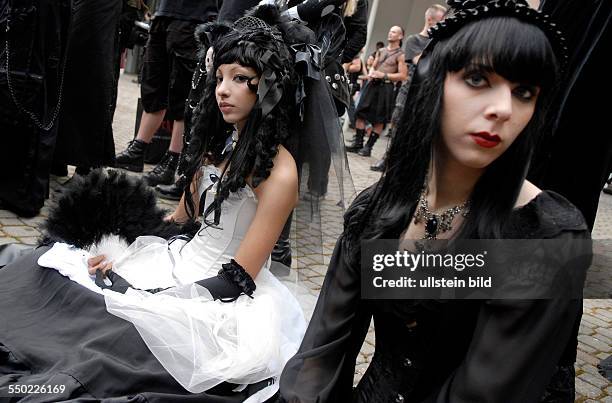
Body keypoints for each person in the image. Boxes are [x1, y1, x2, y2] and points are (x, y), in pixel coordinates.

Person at [279, 1, 592, 402]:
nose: (503, 109)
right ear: (432, 83)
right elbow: (323, 349)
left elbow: (486, 392)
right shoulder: (377, 210)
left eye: (524, 92)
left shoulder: (545, 239)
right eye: (478, 79)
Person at [0, 6, 310, 401]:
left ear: (268, 86)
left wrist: (149, 294)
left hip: (221, 296)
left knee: (112, 337)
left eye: (240, 79)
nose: (223, 90)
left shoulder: (280, 174)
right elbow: (180, 221)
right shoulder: (221, 143)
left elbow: (238, 279)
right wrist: (122, 253)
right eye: (219, 78)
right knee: (58, 275)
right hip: (178, 262)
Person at [114, 0, 218, 187]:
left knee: (183, 93)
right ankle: (138, 148)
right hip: (164, 14)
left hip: (194, 17)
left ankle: (173, 159)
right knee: (152, 85)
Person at [370, 3, 446, 172]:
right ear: (431, 19)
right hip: (408, 92)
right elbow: (420, 63)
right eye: (443, 19)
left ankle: (406, 165)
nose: (445, 22)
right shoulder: (414, 40)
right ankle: (388, 160)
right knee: (397, 129)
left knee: (418, 131)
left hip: (429, 94)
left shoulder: (442, 42)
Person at [347, 25, 408, 157]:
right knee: (360, 112)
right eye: (390, 31)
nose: (390, 33)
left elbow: (403, 76)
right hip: (372, 84)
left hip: (386, 87)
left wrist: (384, 76)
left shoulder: (401, 55)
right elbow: (373, 67)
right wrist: (371, 73)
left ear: (400, 36)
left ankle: (368, 147)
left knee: (379, 119)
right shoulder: (381, 50)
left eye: (394, 32)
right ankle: (358, 143)